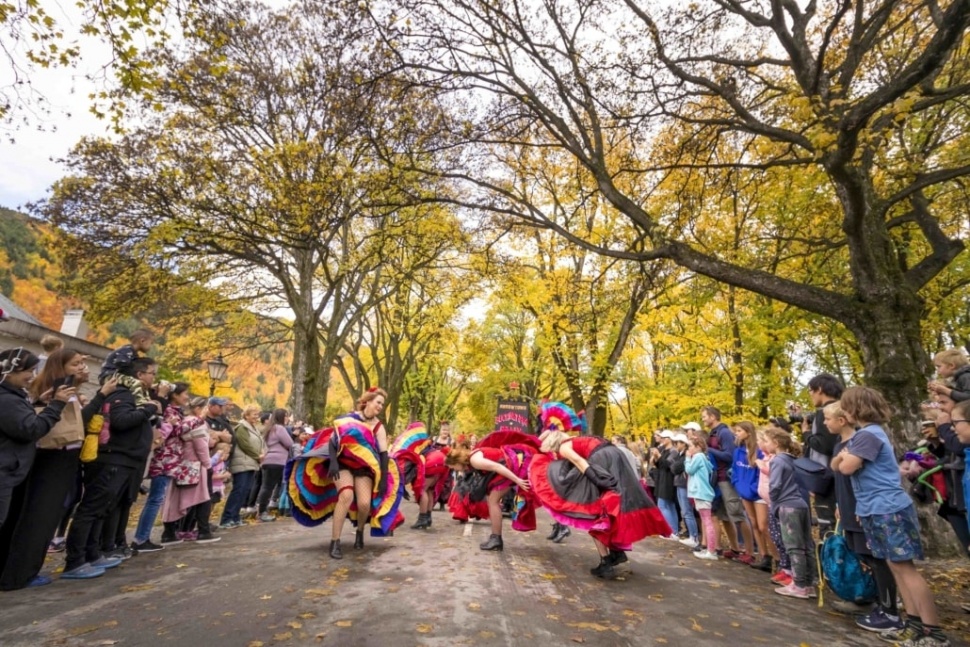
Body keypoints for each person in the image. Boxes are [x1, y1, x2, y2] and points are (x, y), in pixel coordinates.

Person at [833, 386, 949, 647]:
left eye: (846, 406)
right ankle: (913, 625)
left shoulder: (868, 436)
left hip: (888, 507)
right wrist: (842, 459)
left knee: (906, 568)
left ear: (856, 408)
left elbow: (847, 467)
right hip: (873, 507)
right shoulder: (865, 435)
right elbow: (838, 465)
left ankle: (933, 632)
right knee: (896, 567)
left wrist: (843, 458)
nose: (844, 411)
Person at [63, 356, 159, 580]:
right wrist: (147, 409)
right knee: (91, 509)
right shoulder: (123, 394)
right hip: (113, 460)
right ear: (139, 375)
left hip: (123, 461)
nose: (154, 377)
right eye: (152, 373)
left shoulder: (134, 395)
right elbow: (121, 421)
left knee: (103, 509)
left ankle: (93, 554)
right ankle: (75, 561)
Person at [529, 431, 670, 578]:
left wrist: (596, 479)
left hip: (601, 460)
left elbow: (578, 461)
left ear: (553, 444)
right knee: (612, 504)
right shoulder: (579, 439)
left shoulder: (564, 447)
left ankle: (606, 562)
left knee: (595, 512)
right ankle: (616, 552)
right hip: (615, 456)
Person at [822, 401, 902, 632]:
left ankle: (888, 603)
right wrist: (840, 503)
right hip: (848, 505)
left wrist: (858, 507)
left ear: (842, 420)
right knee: (861, 553)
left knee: (876, 557)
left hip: (863, 507)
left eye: (828, 419)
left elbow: (856, 475)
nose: (825, 423)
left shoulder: (860, 442)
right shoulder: (841, 444)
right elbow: (838, 472)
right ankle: (871, 597)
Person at [323, 388, 403, 558]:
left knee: (365, 504)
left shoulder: (379, 427)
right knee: (346, 496)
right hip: (344, 464)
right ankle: (335, 541)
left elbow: (383, 454)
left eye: (382, 404)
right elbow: (333, 441)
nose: (380, 406)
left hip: (364, 469)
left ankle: (359, 531)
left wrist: (382, 480)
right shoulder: (349, 419)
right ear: (367, 401)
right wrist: (333, 462)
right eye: (378, 402)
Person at [447, 431, 537, 552]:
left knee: (493, 501)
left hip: (511, 465)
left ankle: (496, 539)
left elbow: (498, 467)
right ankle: (495, 538)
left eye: (453, 467)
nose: (453, 469)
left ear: (457, 462)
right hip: (510, 464)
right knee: (491, 500)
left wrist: (518, 480)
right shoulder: (472, 458)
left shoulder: (474, 460)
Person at [132, 382, 190, 552]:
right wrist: (192, 422)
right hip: (163, 460)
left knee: (157, 499)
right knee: (155, 499)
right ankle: (141, 538)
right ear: (175, 395)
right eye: (185, 393)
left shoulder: (176, 412)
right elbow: (174, 431)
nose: (187, 397)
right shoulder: (169, 411)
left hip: (170, 460)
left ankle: (142, 537)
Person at [764, 427, 817, 599]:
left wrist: (773, 502)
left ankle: (799, 584)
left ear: (776, 443)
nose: (765, 444)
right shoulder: (792, 459)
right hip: (800, 504)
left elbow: (775, 485)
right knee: (806, 545)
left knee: (794, 546)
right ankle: (809, 582)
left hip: (787, 506)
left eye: (767, 441)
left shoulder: (778, 460)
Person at [160, 399, 220, 544]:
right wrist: (207, 464)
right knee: (203, 499)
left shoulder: (183, 421)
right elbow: (201, 446)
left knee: (174, 499)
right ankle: (203, 531)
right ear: (198, 408)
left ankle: (169, 533)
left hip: (180, 464)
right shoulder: (197, 423)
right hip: (195, 465)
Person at [701, 406, 754, 562]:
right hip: (718, 479)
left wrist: (709, 449)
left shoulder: (724, 433)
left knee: (737, 514)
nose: (703, 419)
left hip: (727, 480)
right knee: (724, 516)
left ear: (713, 416)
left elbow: (729, 455)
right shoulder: (714, 433)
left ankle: (749, 552)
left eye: (704, 416)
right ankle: (735, 548)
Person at [801, 373, 844, 529]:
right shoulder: (844, 410)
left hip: (827, 480)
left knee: (829, 527)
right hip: (841, 478)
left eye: (811, 391)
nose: (810, 395)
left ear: (819, 389)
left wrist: (806, 433)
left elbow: (825, 445)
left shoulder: (825, 413)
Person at [390, 421, 449, 530]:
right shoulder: (425, 441)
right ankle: (428, 517)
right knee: (430, 490)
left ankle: (422, 518)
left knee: (422, 490)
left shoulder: (415, 444)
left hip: (432, 462)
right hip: (441, 459)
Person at [731, 421, 770, 571]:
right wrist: (738, 484)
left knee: (763, 525)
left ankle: (777, 558)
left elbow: (762, 472)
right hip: (744, 491)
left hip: (758, 492)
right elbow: (734, 469)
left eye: (739, 431)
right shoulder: (738, 451)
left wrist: (753, 488)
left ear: (748, 432)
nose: (736, 433)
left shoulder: (760, 451)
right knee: (753, 523)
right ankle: (763, 554)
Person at [219, 404, 265, 529]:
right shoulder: (242, 427)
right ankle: (227, 518)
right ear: (247, 415)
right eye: (254, 414)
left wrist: (262, 453)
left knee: (245, 491)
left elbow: (260, 442)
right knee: (239, 490)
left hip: (250, 463)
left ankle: (235, 517)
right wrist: (258, 455)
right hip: (242, 463)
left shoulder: (253, 428)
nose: (257, 417)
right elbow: (245, 444)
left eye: (257, 414)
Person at [684, 434, 718, 560]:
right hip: (702, 492)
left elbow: (689, 470)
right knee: (706, 521)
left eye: (691, 446)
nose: (689, 449)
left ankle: (711, 551)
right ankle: (710, 549)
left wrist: (687, 458)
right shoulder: (703, 457)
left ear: (698, 447)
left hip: (701, 492)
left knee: (707, 522)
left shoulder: (698, 456)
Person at [256, 408, 293, 522]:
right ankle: (262, 512)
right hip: (277, 460)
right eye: (286, 416)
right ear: (281, 417)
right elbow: (290, 443)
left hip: (268, 459)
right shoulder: (279, 428)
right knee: (269, 487)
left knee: (266, 486)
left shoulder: (269, 428)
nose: (287, 418)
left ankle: (261, 510)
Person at [671, 433, 700, 548]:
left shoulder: (685, 456)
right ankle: (692, 535)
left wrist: (676, 465)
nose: (675, 445)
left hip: (684, 484)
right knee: (685, 511)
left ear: (683, 444)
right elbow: (674, 468)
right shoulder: (680, 454)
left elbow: (675, 468)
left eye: (677, 443)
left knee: (687, 511)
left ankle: (694, 536)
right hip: (679, 483)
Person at [651, 431, 679, 539]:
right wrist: (656, 458)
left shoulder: (673, 451)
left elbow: (669, 465)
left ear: (669, 439)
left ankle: (672, 530)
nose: (661, 439)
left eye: (664, 437)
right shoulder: (664, 450)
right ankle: (673, 531)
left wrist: (659, 456)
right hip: (662, 479)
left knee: (663, 505)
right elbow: (660, 465)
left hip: (668, 480)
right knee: (668, 505)